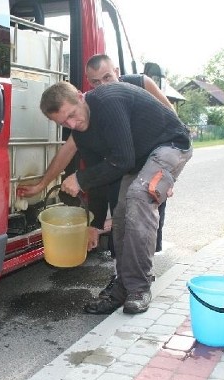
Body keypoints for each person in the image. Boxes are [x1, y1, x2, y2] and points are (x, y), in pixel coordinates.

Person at [18, 54, 174, 297]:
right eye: (95, 82)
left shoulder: (139, 84)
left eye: (107, 77)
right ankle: (123, 275)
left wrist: (166, 173)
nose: (103, 86)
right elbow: (70, 149)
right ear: (87, 87)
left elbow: (170, 120)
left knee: (141, 205)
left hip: (154, 156)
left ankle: (142, 276)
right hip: (123, 163)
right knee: (119, 209)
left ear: (117, 71)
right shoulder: (86, 117)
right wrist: (43, 184)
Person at [39, 81, 192, 314]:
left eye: (72, 115)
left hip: (171, 145)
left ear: (81, 97)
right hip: (139, 160)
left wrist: (80, 178)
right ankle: (123, 285)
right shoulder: (82, 135)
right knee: (121, 217)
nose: (72, 124)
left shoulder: (107, 101)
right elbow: (100, 179)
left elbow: (122, 159)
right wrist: (96, 224)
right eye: (64, 123)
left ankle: (139, 288)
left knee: (140, 197)